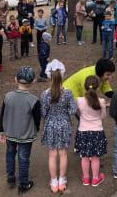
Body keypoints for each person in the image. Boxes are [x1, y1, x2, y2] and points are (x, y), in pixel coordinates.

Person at [0, 66, 41, 194]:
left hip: (10, 132)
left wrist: (2, 130)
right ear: (33, 81)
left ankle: (11, 177)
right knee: (23, 158)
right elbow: (37, 119)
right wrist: (36, 129)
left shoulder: (8, 96)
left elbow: (2, 114)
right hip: (26, 135)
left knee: (10, 154)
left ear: (16, 79)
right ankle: (23, 183)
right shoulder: (34, 100)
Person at [40, 60, 76, 193]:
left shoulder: (45, 94)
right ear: (62, 75)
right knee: (63, 154)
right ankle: (62, 180)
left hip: (50, 125)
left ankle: (54, 182)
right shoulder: (68, 93)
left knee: (52, 155)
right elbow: (72, 110)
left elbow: (43, 113)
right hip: (64, 125)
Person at [74, 75, 107, 187]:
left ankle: (86, 178)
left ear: (84, 87)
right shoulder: (101, 101)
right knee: (95, 157)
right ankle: (95, 179)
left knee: (84, 156)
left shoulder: (79, 100)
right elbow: (102, 116)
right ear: (98, 88)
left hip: (83, 131)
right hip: (97, 131)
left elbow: (78, 113)